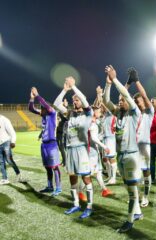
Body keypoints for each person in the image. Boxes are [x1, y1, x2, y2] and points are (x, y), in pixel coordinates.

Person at [103, 65, 143, 233]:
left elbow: (126, 94)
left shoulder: (135, 114)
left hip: (132, 156)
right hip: (121, 156)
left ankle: (129, 221)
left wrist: (115, 79)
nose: (120, 102)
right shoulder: (118, 114)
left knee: (132, 191)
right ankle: (138, 212)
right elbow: (106, 101)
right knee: (128, 187)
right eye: (119, 100)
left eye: (122, 100)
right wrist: (108, 84)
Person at [54, 76, 93, 219]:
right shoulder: (70, 114)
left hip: (81, 149)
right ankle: (76, 204)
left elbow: (85, 101)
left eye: (76, 100)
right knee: (72, 178)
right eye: (73, 100)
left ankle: (89, 206)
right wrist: (65, 89)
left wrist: (74, 87)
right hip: (70, 149)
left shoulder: (88, 114)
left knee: (86, 179)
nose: (74, 102)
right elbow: (56, 104)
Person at [127, 67, 154, 207]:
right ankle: (135, 196)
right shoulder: (133, 114)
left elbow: (144, 95)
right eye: (135, 102)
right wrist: (128, 82)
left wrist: (136, 81)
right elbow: (124, 96)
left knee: (145, 172)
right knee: (134, 174)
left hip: (145, 147)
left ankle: (146, 197)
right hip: (133, 148)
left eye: (139, 101)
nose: (137, 103)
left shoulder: (149, 113)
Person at [28, 87, 62, 196]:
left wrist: (37, 95)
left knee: (55, 166)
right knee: (47, 167)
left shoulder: (52, 114)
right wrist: (32, 99)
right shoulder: (43, 115)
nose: (40, 111)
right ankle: (49, 186)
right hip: (44, 145)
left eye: (42, 109)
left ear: (46, 109)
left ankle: (58, 187)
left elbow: (45, 105)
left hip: (52, 144)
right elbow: (31, 109)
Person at [94, 86, 118, 185]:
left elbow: (103, 104)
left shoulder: (110, 113)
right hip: (104, 139)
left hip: (110, 138)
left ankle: (114, 178)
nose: (101, 108)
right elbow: (97, 106)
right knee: (105, 159)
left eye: (102, 107)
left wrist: (99, 94)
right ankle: (109, 176)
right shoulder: (103, 116)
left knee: (111, 158)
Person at [0, 115, 26, 185]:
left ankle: (19, 175)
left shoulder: (4, 120)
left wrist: (13, 142)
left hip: (6, 142)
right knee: (1, 162)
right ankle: (4, 179)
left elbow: (12, 132)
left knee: (9, 160)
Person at [56, 98, 68, 166]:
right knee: (60, 147)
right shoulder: (59, 112)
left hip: (63, 131)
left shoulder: (66, 111)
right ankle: (63, 160)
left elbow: (65, 117)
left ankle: (65, 161)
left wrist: (65, 106)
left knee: (62, 147)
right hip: (58, 130)